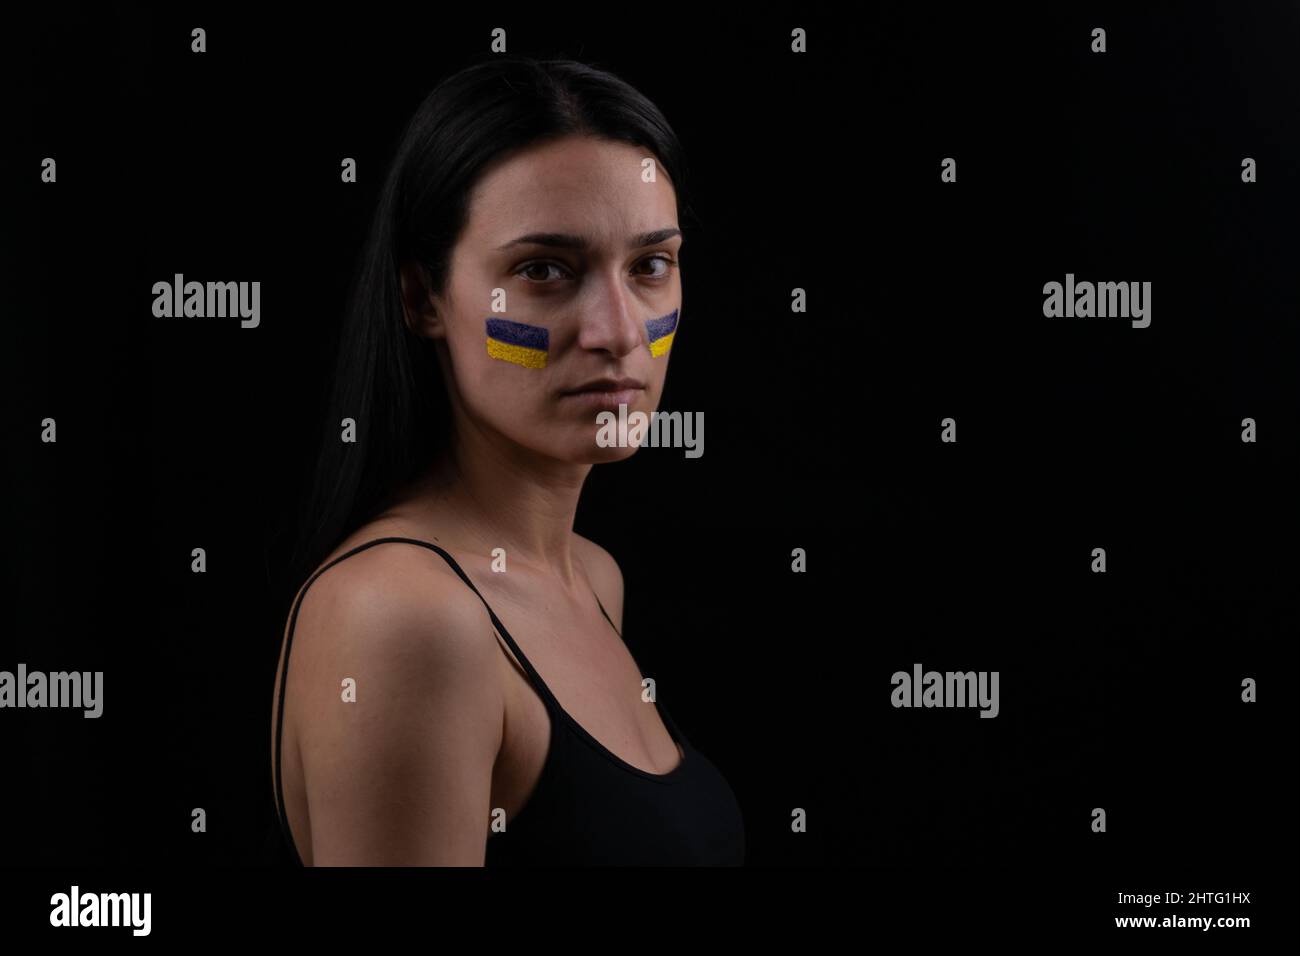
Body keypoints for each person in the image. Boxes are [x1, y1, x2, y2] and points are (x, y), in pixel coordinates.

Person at [269, 56, 745, 866]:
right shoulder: (405, 618)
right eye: (544, 271)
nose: (620, 333)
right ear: (422, 298)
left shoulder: (593, 578)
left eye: (649, 266)